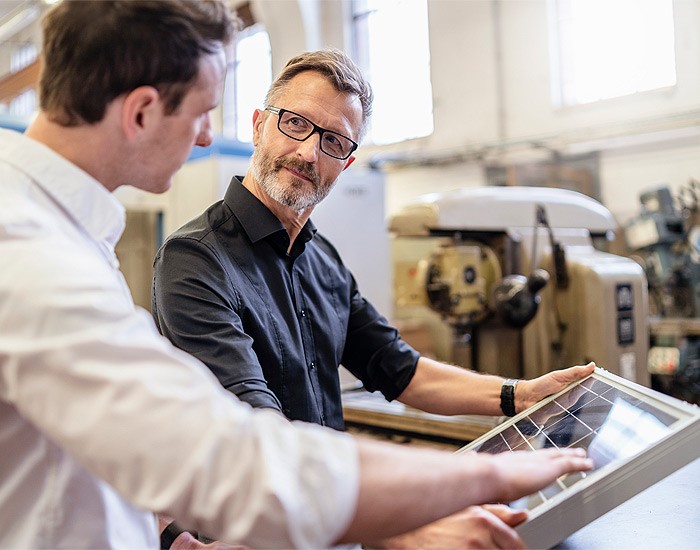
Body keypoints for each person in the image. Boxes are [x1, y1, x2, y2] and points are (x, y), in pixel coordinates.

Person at [0, 2, 594, 549]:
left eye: (335, 140)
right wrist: (471, 482)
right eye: (205, 112)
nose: (208, 135)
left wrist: (516, 397)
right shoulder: (41, 258)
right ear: (141, 111)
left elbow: (114, 447)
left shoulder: (70, 238)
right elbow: (235, 451)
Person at [151, 48, 596, 547]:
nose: (308, 153)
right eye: (295, 124)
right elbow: (262, 436)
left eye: (334, 141)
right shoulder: (195, 260)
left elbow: (398, 367)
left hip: (327, 530)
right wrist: (410, 519)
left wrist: (518, 395)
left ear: (348, 162)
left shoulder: (323, 263)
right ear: (259, 125)